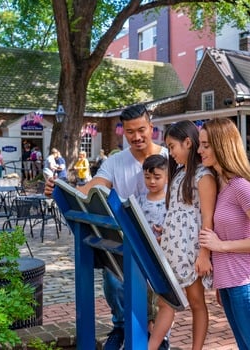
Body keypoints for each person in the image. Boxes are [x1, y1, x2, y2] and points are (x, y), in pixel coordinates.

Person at [45, 103, 167, 350]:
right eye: (130, 131)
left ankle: (158, 336)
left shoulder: (169, 158)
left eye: (141, 129)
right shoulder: (116, 162)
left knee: (159, 294)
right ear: (123, 131)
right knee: (113, 280)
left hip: (161, 240)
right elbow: (93, 187)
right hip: (124, 241)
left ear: (151, 127)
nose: (137, 136)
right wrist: (63, 190)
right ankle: (121, 326)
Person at [197, 118, 250, 350]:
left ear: (221, 146)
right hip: (229, 283)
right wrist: (221, 283)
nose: (199, 150)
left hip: (246, 282)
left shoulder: (242, 186)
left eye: (205, 145)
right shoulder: (221, 184)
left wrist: (221, 245)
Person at [148, 120, 217, 350]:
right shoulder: (178, 175)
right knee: (166, 303)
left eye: (172, 146)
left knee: (197, 303)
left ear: (187, 142)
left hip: (191, 253)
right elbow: (178, 213)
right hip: (172, 250)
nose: (170, 152)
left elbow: (207, 218)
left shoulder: (203, 176)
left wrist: (204, 254)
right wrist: (166, 231)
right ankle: (151, 347)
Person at [137, 154, 169, 345]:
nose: (152, 181)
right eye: (148, 177)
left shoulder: (170, 200)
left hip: (164, 258)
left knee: (162, 299)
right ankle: (148, 331)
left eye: (157, 177)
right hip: (144, 257)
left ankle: (163, 336)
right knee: (145, 296)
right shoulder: (139, 200)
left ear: (166, 177)